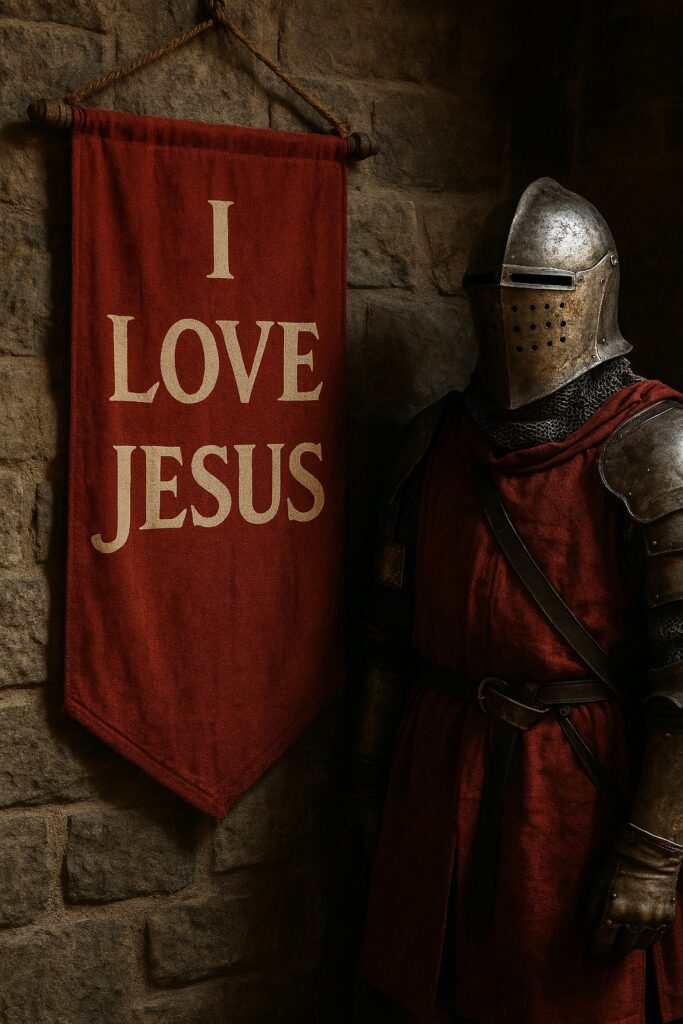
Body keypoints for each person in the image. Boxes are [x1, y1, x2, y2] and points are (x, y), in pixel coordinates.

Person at [352, 178, 683, 1024]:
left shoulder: (657, 444)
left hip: (575, 790)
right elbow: (386, 641)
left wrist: (652, 851)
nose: (510, 312)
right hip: (437, 776)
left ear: (594, 291)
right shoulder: (429, 442)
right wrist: (367, 786)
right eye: (489, 292)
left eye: (538, 291)